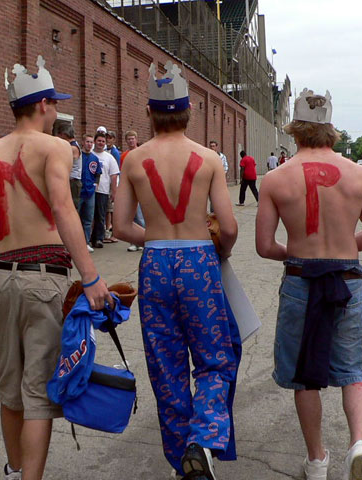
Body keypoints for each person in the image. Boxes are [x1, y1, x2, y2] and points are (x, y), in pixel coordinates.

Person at [0, 55, 112, 480]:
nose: (56, 112)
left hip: (0, 277)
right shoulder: (55, 147)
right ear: (42, 105)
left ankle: (15, 469)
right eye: (54, 105)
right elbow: (64, 210)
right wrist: (91, 278)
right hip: (43, 277)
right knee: (38, 393)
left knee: (10, 389)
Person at [114, 61, 241, 480]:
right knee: (213, 356)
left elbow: (118, 226)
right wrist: (217, 248)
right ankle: (201, 442)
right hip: (198, 260)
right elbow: (230, 224)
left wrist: (152, 237)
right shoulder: (207, 159)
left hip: (155, 262)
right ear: (189, 112)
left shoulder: (134, 159)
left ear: (150, 113)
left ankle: (179, 461)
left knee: (165, 364)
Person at [255, 88, 362, 480]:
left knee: (303, 374)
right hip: (346, 278)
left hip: (300, 278)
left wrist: (295, 251)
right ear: (331, 129)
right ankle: (358, 444)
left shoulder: (276, 178)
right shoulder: (359, 174)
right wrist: (345, 245)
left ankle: (317, 461)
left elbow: (264, 246)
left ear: (295, 131)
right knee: (354, 370)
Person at [90, 132, 119, 249]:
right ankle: (88, 238)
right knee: (88, 216)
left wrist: (114, 192)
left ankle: (98, 239)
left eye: (103, 141)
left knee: (100, 216)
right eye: (99, 141)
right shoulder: (89, 154)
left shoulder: (109, 158)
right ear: (95, 142)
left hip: (103, 190)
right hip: (89, 190)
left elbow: (114, 176)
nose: (101, 143)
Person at [120, 130, 145, 252]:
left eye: (132, 138)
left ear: (136, 139)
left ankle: (143, 240)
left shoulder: (142, 153)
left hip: (140, 187)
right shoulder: (124, 155)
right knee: (131, 215)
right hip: (129, 188)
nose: (131, 141)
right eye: (128, 139)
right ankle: (133, 242)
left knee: (140, 216)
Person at [78, 134, 101, 252]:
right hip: (78, 193)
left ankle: (86, 242)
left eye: (91, 142)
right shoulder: (78, 156)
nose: (89, 144)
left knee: (88, 219)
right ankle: (74, 243)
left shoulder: (94, 158)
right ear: (83, 142)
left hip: (90, 192)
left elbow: (98, 173)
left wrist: (96, 184)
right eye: (87, 141)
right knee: (76, 218)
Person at [54, 123, 82, 210]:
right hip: (71, 181)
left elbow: (63, 161)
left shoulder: (72, 147)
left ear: (64, 134)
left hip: (73, 182)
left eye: (59, 134)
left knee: (72, 207)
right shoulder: (72, 145)